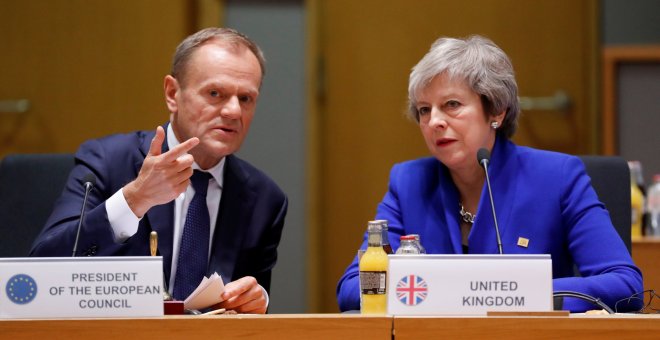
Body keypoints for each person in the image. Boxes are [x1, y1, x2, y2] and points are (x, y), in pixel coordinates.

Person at [336, 35, 643, 312]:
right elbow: (354, 286)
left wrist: (518, 294)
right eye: (424, 110)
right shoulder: (409, 183)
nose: (434, 122)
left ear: (496, 111)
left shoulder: (558, 177)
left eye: (451, 105)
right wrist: (456, 293)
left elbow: (625, 285)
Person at [30, 27, 287, 314]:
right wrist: (134, 200)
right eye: (215, 93)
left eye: (246, 99)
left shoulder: (265, 200)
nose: (233, 112)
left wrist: (257, 298)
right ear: (172, 93)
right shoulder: (108, 161)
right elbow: (43, 269)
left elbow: (249, 299)